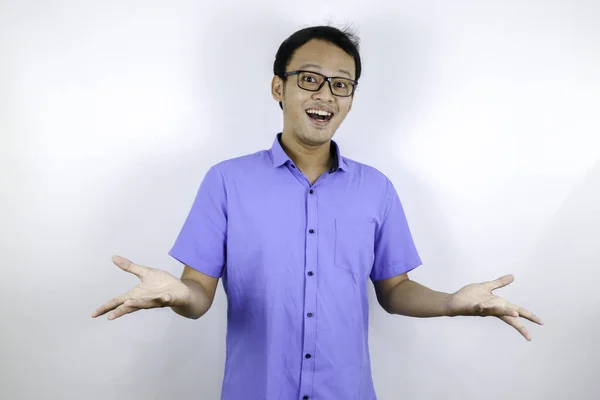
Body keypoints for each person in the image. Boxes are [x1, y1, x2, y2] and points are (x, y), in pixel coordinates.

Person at [92, 25, 543, 399]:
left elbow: (395, 289)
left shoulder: (376, 188)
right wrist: (176, 295)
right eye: (309, 78)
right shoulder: (226, 181)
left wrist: (450, 303)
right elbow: (198, 293)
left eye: (341, 84)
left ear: (350, 96)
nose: (325, 95)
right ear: (278, 87)